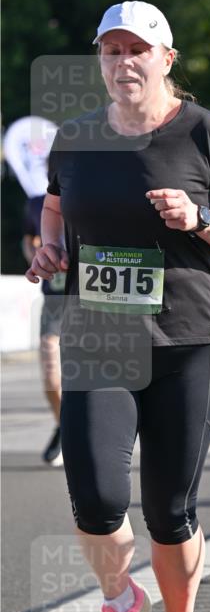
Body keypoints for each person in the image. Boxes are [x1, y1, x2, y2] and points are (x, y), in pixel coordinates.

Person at [25, 1, 210, 612]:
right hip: (101, 331)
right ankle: (118, 602)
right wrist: (50, 248)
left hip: (190, 337)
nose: (124, 62)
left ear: (166, 58)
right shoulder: (75, 140)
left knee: (168, 509)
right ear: (99, 60)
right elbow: (57, 202)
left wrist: (202, 218)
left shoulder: (204, 132)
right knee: (95, 497)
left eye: (138, 50)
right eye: (111, 50)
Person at [22, 194, 66, 464]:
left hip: (95, 297)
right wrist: (37, 256)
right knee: (51, 374)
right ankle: (65, 427)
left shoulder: (101, 181)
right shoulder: (37, 203)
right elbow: (29, 239)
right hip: (55, 298)